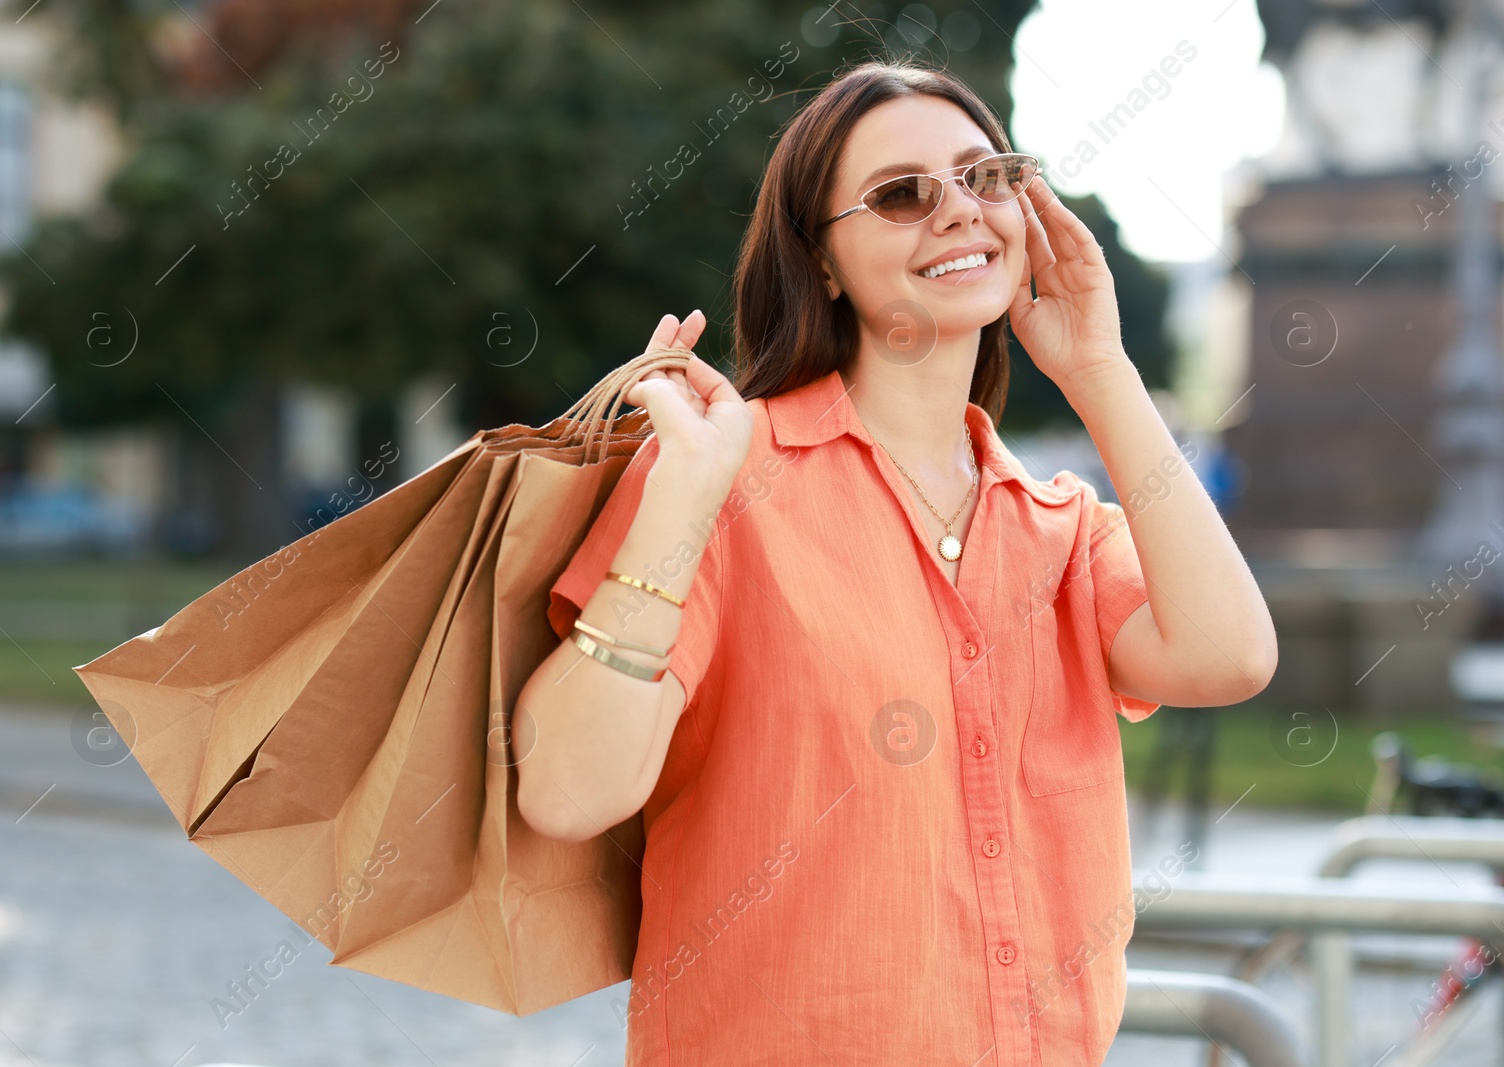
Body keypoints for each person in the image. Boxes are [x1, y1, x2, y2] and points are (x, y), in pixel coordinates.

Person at [513, 58, 1276, 1067]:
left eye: (985, 175)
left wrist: (1101, 370)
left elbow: (1229, 657)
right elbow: (566, 792)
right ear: (820, 261)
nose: (957, 210)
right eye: (903, 194)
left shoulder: (1061, 527)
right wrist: (679, 508)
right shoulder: (720, 474)